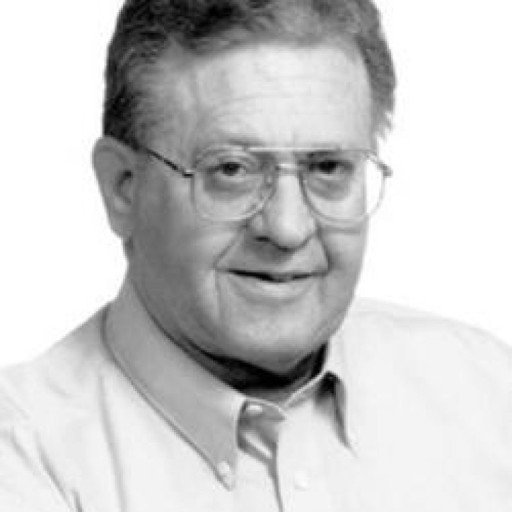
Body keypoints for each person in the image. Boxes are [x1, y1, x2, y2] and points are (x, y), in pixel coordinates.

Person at [0, 0, 510, 510]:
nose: (288, 229)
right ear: (123, 187)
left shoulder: (485, 391)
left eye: (328, 168)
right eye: (232, 170)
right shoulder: (25, 456)